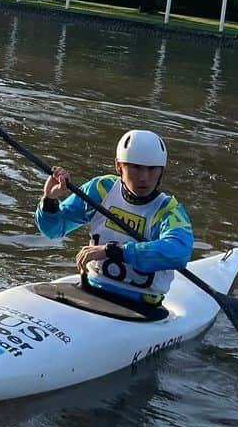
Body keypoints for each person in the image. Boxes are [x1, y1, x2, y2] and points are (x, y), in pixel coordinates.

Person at [35, 128, 193, 313]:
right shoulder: (100, 190)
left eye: (152, 169)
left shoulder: (168, 211)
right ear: (119, 166)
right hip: (90, 291)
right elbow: (53, 230)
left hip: (140, 307)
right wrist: (50, 200)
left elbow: (178, 253)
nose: (144, 178)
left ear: (161, 171)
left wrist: (113, 251)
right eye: (135, 167)